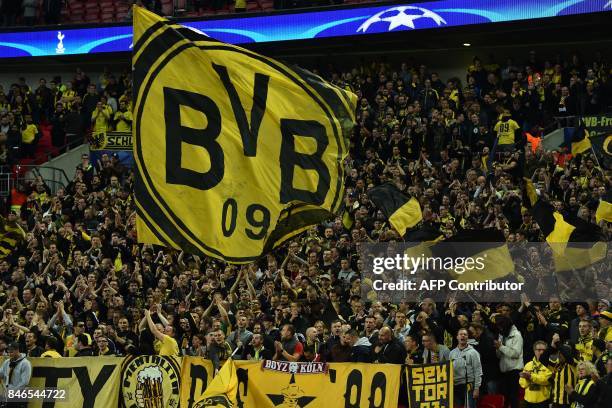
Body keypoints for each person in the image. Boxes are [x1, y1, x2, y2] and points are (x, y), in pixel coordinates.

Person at [495, 316, 524, 408]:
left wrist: (501, 347)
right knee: (505, 397)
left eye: (501, 327)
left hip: (515, 371)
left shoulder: (517, 335)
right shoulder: (501, 335)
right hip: (504, 371)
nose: (500, 329)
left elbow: (515, 354)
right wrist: (498, 349)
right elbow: (499, 356)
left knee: (513, 397)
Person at [449, 328, 483, 408]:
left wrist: (476, 388)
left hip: (469, 386)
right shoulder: (452, 353)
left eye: (465, 334)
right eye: (461, 334)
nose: (463, 336)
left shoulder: (473, 353)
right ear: (457, 337)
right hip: (456, 386)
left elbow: (478, 371)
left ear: (467, 338)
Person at [519, 341, 552, 408]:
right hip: (528, 401)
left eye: (544, 350)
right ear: (534, 351)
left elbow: (546, 380)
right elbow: (522, 384)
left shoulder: (549, 365)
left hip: (543, 402)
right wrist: (527, 379)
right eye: (539, 350)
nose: (542, 352)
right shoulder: (528, 365)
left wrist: (531, 377)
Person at [0, 342, 32, 408]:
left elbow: (24, 383)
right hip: (8, 394)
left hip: (19, 396)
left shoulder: (25, 363)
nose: (9, 354)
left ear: (17, 350)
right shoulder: (7, 362)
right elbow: (1, 373)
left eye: (11, 352)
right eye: (8, 352)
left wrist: (12, 393)